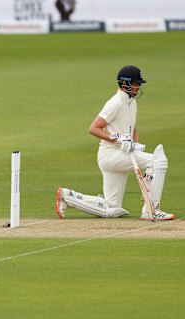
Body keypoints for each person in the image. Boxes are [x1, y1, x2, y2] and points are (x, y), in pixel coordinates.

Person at [55, 65, 175, 221]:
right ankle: (151, 210)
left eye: (139, 84)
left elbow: (132, 127)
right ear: (125, 84)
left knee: (112, 208)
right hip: (110, 155)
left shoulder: (131, 102)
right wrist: (117, 139)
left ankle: (67, 196)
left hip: (121, 155)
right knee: (158, 161)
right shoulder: (115, 102)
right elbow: (93, 128)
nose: (139, 87)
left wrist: (134, 144)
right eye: (136, 83)